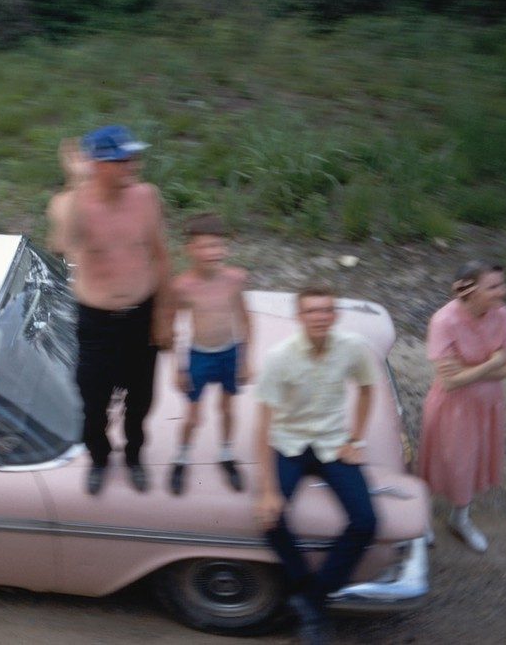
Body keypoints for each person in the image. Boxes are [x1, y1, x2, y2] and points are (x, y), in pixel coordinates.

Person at [253, 283, 378, 645]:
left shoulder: (352, 347)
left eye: (326, 310)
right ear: (300, 316)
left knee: (366, 521)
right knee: (270, 518)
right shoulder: (280, 356)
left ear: (335, 314)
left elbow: (368, 388)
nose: (320, 317)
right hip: (288, 444)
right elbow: (262, 424)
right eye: (312, 311)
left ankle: (311, 600)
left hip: (330, 443)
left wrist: (356, 439)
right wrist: (267, 491)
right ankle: (308, 589)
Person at [63, 125, 172, 495]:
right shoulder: (71, 204)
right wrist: (79, 184)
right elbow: (67, 239)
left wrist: (163, 318)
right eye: (122, 159)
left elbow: (161, 256)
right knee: (93, 406)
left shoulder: (146, 196)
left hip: (142, 317)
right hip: (97, 323)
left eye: (133, 156)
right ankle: (99, 459)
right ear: (97, 165)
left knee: (141, 402)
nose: (133, 165)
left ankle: (134, 457)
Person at [418, 261, 506, 554]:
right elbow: (449, 383)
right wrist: (492, 362)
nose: (504, 291)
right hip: (451, 408)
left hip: (488, 406)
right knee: (439, 462)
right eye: (494, 286)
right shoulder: (444, 321)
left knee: (471, 463)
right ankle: (420, 520)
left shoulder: (503, 314)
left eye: (502, 284)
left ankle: (460, 519)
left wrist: (469, 371)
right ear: (469, 292)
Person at [168, 213, 252, 495]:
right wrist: (178, 367)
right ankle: (181, 458)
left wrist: (245, 359)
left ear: (225, 247)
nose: (211, 252)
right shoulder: (182, 286)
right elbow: (175, 328)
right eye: (204, 246)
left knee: (228, 408)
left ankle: (227, 454)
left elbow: (245, 319)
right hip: (199, 355)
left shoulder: (235, 279)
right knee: (193, 416)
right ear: (190, 249)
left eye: (217, 246)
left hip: (229, 353)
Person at [45, 137, 91, 259]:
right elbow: (58, 245)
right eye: (73, 156)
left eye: (83, 155)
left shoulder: (106, 195)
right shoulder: (59, 201)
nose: (81, 158)